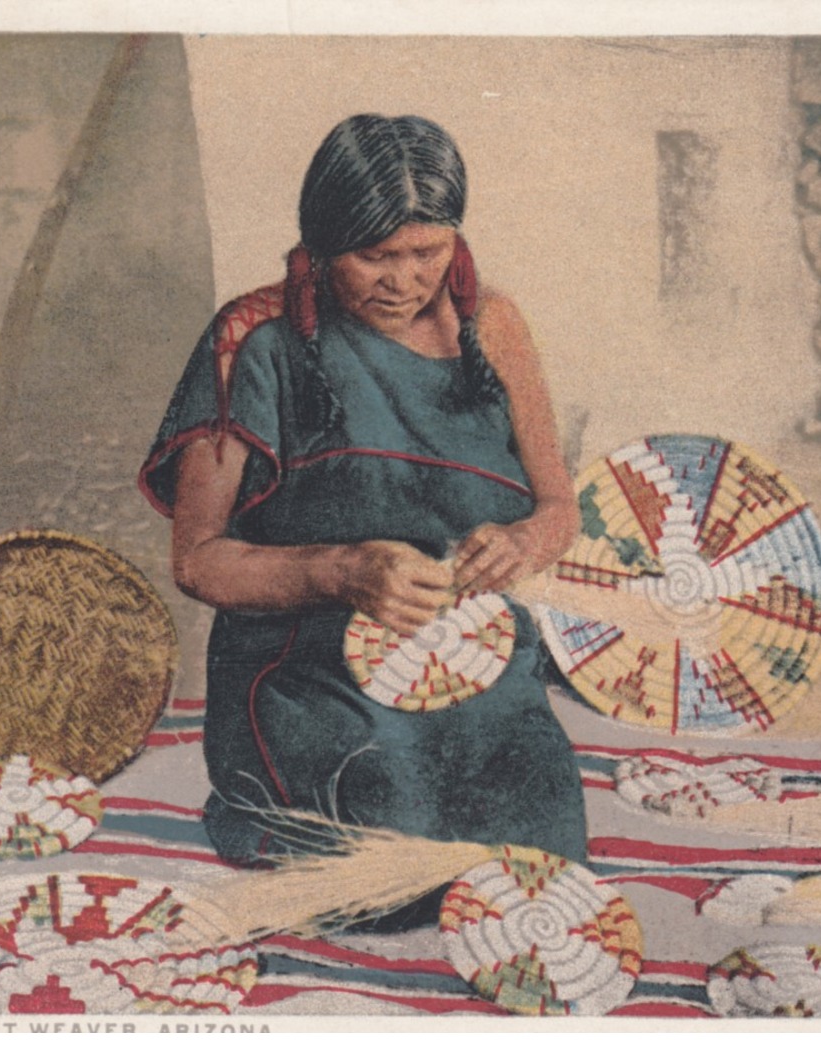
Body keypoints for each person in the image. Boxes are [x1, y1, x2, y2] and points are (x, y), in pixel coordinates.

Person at [138, 114, 588, 874]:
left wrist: (521, 542)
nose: (404, 280)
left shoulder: (494, 326)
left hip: (467, 661)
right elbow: (197, 561)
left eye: (428, 252)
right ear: (319, 247)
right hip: (302, 668)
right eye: (374, 256)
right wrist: (340, 570)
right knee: (387, 849)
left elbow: (558, 509)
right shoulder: (255, 341)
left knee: (538, 853)